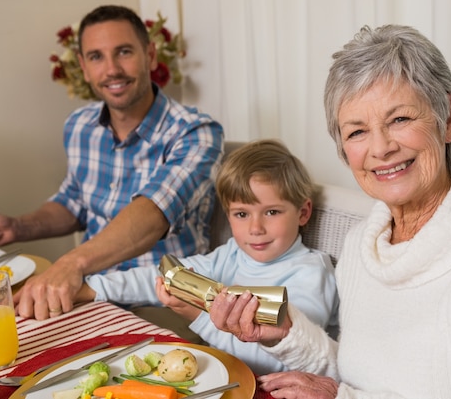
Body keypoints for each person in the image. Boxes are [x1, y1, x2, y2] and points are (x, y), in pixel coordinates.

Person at [205, 25, 451, 398]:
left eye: (399, 119)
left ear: (446, 118)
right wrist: (284, 332)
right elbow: (362, 378)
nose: (381, 149)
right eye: (356, 132)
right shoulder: (361, 245)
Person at [0, 5, 223, 321]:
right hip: (89, 292)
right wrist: (18, 226)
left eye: (124, 52)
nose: (111, 69)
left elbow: (153, 215)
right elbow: (74, 202)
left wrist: (71, 264)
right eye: (96, 57)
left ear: (150, 55)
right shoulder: (79, 125)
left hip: (163, 301)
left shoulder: (197, 132)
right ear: (83, 66)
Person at [74, 139, 339, 375]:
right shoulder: (231, 254)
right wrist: (91, 289)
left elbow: (281, 362)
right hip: (219, 375)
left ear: (303, 213)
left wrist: (198, 316)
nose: (255, 229)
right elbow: (162, 278)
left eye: (271, 212)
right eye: (242, 214)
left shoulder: (311, 273)